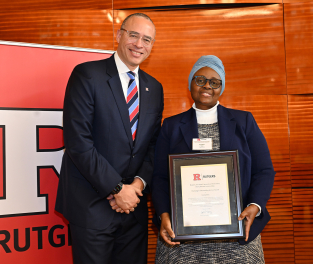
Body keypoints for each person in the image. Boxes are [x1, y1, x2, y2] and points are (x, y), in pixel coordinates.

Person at [55, 13, 164, 264]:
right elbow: (78, 142)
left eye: (147, 39)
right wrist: (117, 189)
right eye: (133, 35)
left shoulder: (154, 87)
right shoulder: (87, 75)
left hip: (133, 209)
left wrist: (135, 187)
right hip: (92, 206)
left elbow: (152, 145)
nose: (139, 44)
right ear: (119, 35)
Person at [151, 55, 275, 263]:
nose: (207, 86)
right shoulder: (171, 126)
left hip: (236, 236)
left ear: (221, 87)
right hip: (183, 240)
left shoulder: (244, 122)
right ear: (190, 83)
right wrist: (164, 215)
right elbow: (160, 177)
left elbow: (264, 170)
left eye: (215, 82)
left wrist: (255, 205)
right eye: (200, 79)